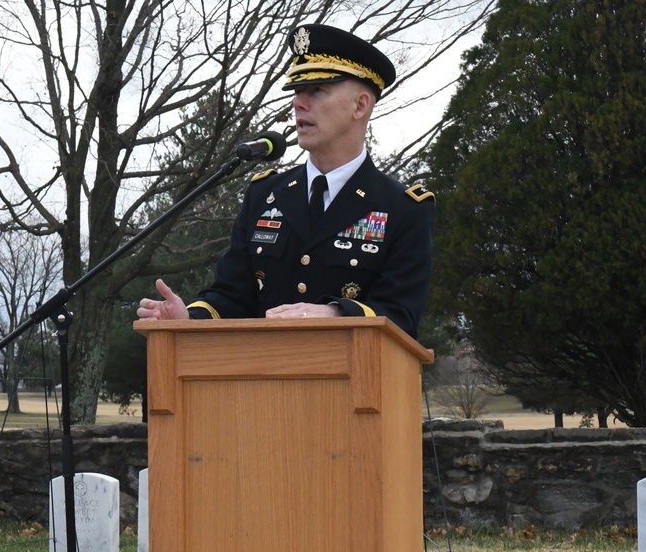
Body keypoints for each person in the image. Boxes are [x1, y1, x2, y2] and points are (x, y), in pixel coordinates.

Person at [137, 23, 435, 338]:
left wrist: (335, 313)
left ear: (360, 105)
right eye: (297, 91)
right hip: (261, 381)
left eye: (317, 90)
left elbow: (401, 315)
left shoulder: (403, 209)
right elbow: (231, 296)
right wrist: (189, 319)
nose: (298, 103)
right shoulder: (265, 195)